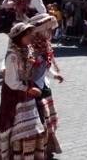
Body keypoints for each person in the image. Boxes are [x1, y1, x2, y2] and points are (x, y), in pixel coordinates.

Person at [0, 23, 48, 160]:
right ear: (19, 37)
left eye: (30, 33)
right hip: (14, 95)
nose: (30, 36)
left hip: (27, 92)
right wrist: (27, 89)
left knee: (32, 128)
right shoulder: (13, 56)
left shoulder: (27, 50)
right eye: (27, 34)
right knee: (16, 128)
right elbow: (11, 82)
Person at [28, 13, 64, 157]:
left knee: (48, 118)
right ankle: (39, 149)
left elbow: (46, 68)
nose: (51, 32)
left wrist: (55, 75)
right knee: (40, 120)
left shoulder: (45, 46)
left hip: (44, 87)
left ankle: (48, 146)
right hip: (33, 90)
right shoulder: (30, 50)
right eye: (48, 29)